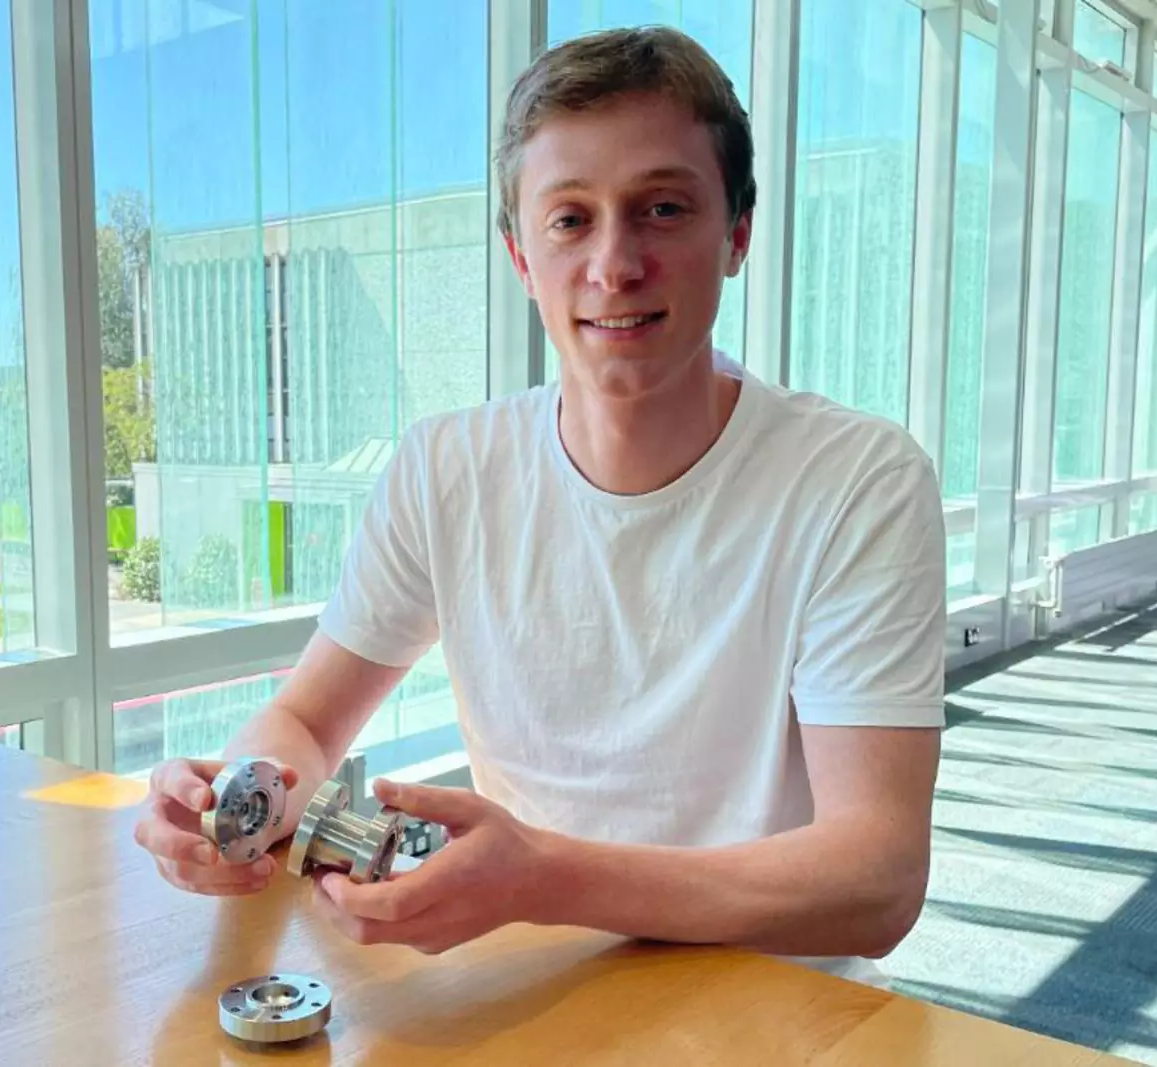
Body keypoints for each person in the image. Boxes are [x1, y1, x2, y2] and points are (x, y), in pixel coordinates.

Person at [134, 25, 945, 987]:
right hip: (538, 988)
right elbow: (304, 726)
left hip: (777, 1005)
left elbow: (875, 878)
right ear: (521, 257)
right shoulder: (445, 469)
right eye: (569, 219)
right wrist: (236, 800)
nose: (614, 264)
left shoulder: (857, 481)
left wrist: (542, 878)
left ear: (737, 233)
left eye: (662, 208)